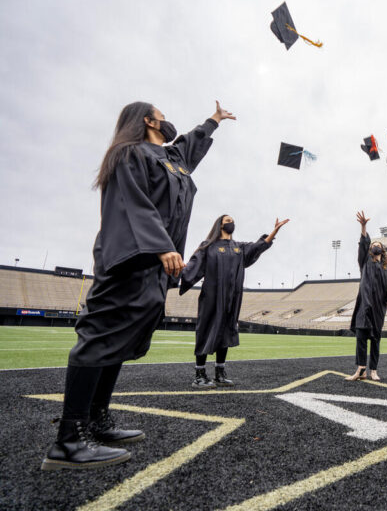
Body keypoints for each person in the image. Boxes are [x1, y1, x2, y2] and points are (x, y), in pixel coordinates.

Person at [41, 100, 236, 471]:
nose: (167, 121)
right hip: (131, 258)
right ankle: (68, 439)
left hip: (154, 266)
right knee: (100, 337)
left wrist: (214, 120)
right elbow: (133, 204)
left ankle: (96, 421)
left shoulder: (169, 157)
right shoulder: (129, 154)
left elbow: (190, 144)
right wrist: (162, 246)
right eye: (162, 117)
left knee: (118, 341)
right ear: (147, 121)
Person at [180, 215, 289, 388]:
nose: (232, 223)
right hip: (212, 297)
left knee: (225, 331)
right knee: (206, 330)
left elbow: (257, 247)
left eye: (232, 221)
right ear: (220, 225)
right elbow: (192, 267)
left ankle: (219, 374)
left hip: (233, 297)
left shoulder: (239, 248)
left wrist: (274, 231)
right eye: (228, 220)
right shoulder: (208, 246)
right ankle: (199, 375)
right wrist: (178, 270)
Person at [345, 211, 387, 382]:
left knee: (375, 341)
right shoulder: (365, 263)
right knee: (360, 338)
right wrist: (363, 226)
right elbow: (363, 244)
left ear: (382, 250)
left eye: (378, 244)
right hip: (364, 307)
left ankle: (373, 370)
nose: (374, 245)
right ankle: (361, 370)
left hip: (377, 310)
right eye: (372, 244)